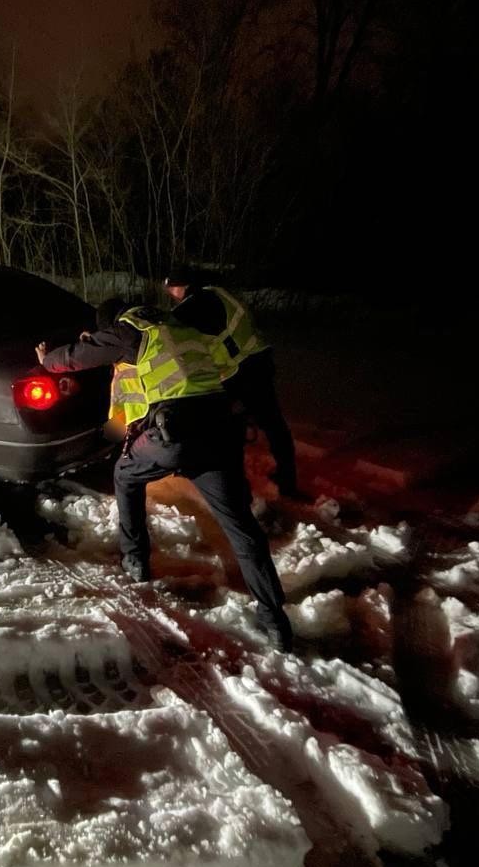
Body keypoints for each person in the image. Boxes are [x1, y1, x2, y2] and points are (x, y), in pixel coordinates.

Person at [37, 298, 293, 651]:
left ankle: (135, 560)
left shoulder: (130, 330)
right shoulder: (183, 331)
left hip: (173, 434)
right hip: (218, 432)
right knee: (241, 526)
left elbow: (77, 358)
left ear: (111, 324)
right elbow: (218, 371)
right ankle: (275, 621)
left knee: (125, 476)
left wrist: (47, 360)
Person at [163, 265, 301, 500]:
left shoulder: (192, 307)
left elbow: (168, 332)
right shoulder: (217, 292)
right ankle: (288, 480)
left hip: (237, 372)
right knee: (273, 424)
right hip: (259, 361)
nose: (170, 295)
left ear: (180, 287)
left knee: (222, 430)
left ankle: (235, 489)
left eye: (170, 290)